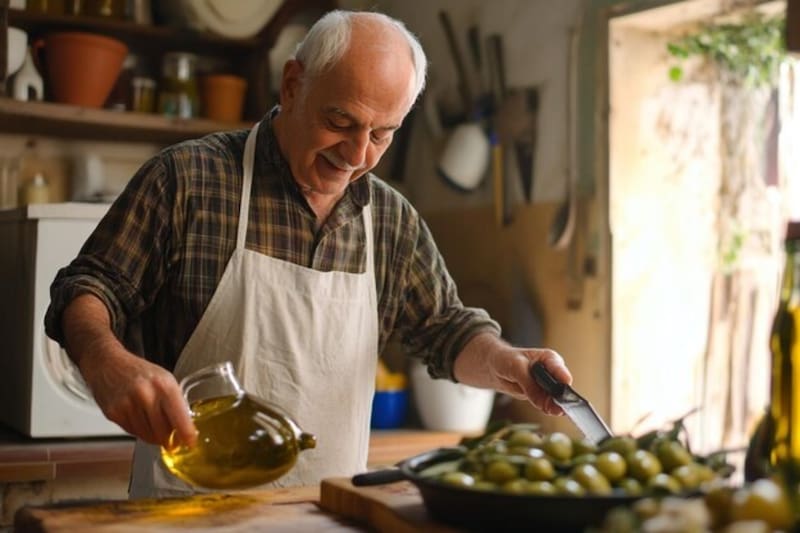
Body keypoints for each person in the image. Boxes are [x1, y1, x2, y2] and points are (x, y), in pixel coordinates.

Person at [45, 10, 573, 498]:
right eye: (341, 122)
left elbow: (446, 330)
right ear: (294, 84)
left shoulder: (391, 220)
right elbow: (87, 289)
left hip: (325, 514)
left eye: (382, 134)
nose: (357, 154)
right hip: (185, 510)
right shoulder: (188, 180)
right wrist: (106, 361)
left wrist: (509, 363)